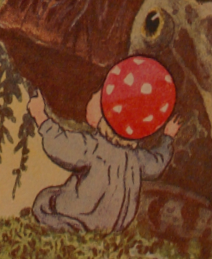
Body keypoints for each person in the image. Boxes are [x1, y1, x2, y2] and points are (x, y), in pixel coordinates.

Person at [27, 54, 180, 235]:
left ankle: (64, 227)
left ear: (105, 113)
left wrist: (41, 117)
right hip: (112, 226)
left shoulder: (94, 147)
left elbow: (59, 146)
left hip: (77, 217)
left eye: (98, 95)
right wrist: (167, 137)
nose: (91, 97)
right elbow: (157, 164)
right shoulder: (137, 158)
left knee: (44, 201)